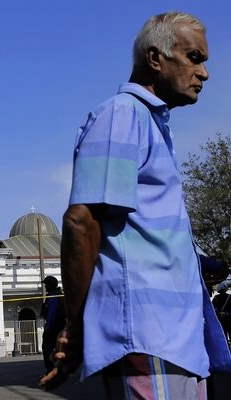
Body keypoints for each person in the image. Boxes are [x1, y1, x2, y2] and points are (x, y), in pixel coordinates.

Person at [39, 11, 231, 398]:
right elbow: (82, 222)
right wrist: (75, 328)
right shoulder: (122, 115)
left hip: (176, 339)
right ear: (156, 59)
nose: (205, 72)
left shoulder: (150, 123)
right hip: (148, 334)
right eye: (194, 57)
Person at [40, 276, 65, 374]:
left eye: (46, 284)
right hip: (60, 326)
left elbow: (52, 313)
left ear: (51, 285)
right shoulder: (58, 294)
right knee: (59, 348)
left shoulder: (53, 296)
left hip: (54, 327)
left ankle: (51, 369)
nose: (45, 286)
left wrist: (48, 329)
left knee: (47, 348)